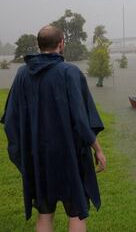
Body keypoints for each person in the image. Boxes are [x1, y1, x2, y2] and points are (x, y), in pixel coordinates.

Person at [0, 25, 106, 232]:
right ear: (61, 44)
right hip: (69, 156)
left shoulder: (22, 74)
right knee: (76, 214)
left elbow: (11, 120)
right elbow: (82, 120)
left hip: (37, 157)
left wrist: (22, 152)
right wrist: (98, 149)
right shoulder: (70, 72)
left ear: (39, 46)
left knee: (44, 214)